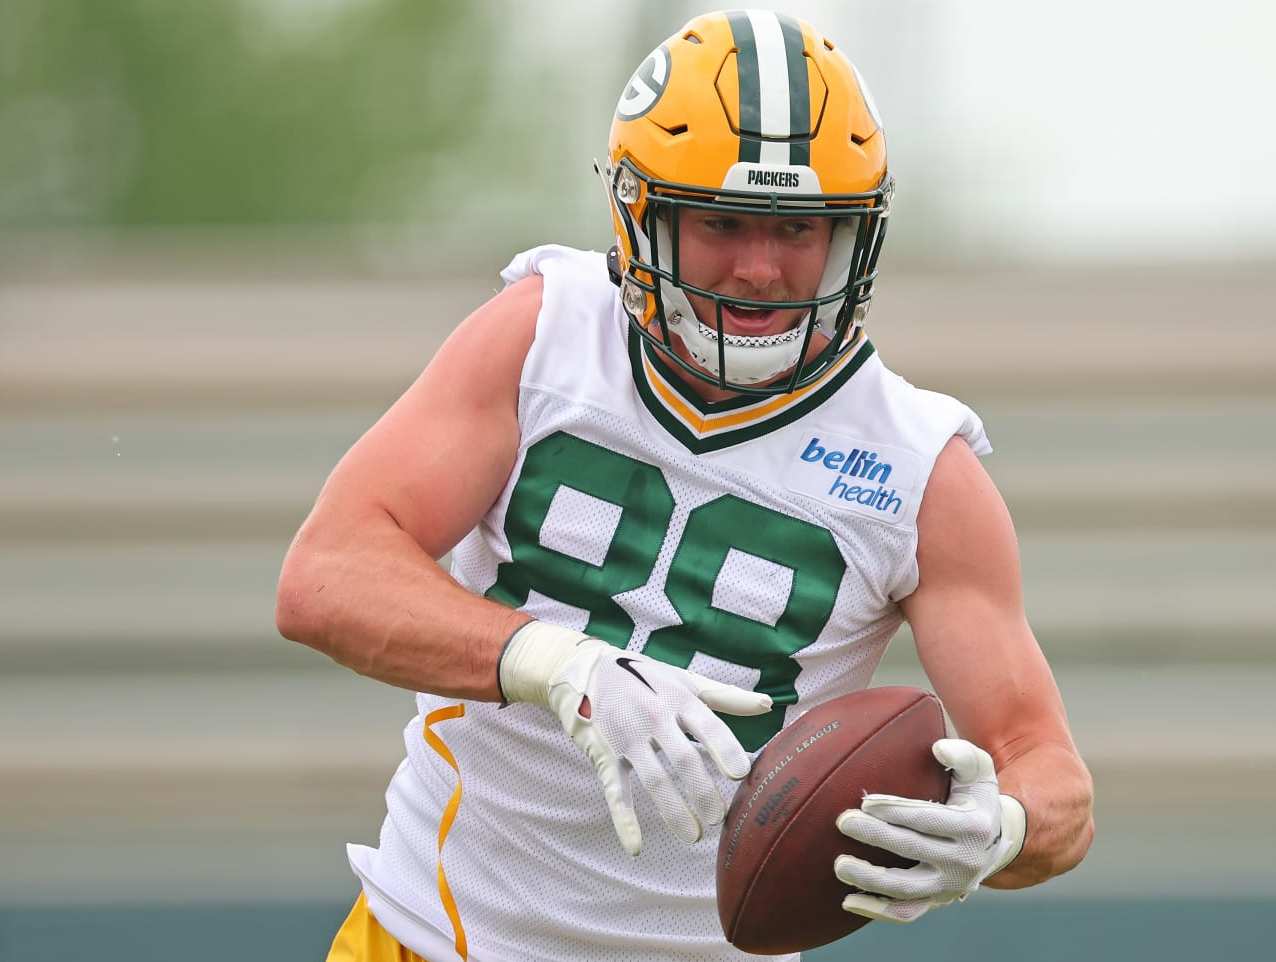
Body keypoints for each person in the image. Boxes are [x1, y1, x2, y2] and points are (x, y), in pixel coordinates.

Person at [277, 10, 1093, 962]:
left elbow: (1050, 774)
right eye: (721, 223)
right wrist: (559, 667)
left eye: (796, 228)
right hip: (439, 935)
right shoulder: (543, 336)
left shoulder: (918, 467)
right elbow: (326, 576)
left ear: (852, 238)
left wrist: (999, 832)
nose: (758, 267)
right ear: (640, 213)